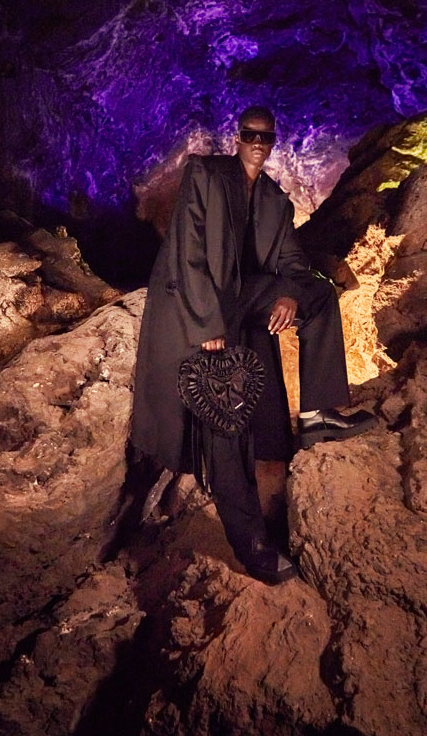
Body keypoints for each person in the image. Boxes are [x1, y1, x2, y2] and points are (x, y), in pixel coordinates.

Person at [130, 106, 371, 583]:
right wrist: (207, 325)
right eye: (250, 134)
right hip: (200, 310)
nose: (258, 143)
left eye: (266, 137)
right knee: (227, 418)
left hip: (246, 299)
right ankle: (251, 544)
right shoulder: (205, 174)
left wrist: (288, 293)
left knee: (319, 295)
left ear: (273, 141)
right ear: (237, 138)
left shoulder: (275, 201)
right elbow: (187, 254)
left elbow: (293, 264)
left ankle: (317, 415)